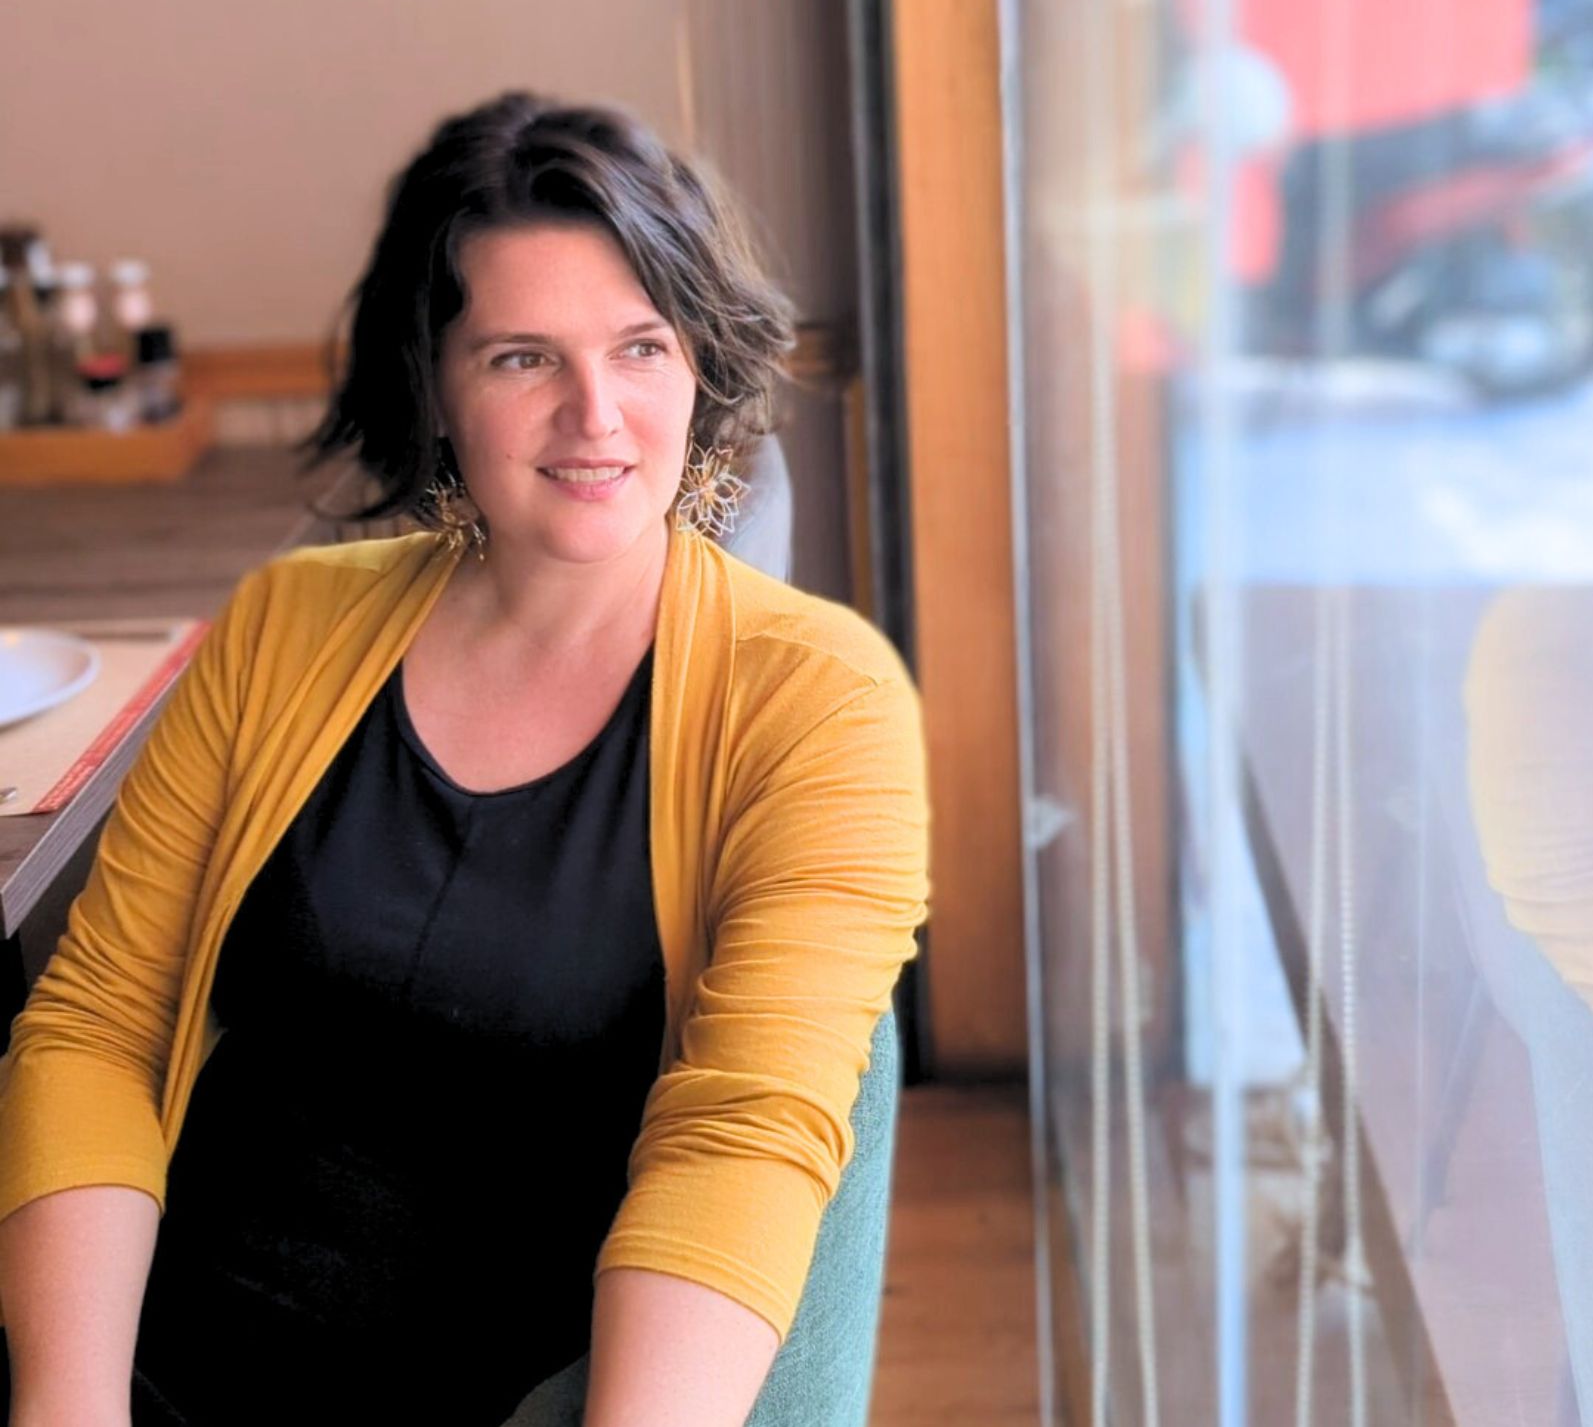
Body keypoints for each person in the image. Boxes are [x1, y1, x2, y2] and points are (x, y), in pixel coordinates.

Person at [0, 93, 930, 1427]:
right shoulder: (287, 624)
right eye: (520, 360)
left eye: (640, 348)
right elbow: (100, 1028)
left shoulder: (818, 702)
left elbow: (741, 1138)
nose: (595, 415)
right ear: (434, 386)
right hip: (147, 1343)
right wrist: (67, 1405)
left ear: (700, 369)